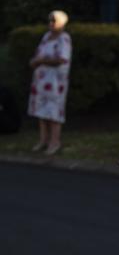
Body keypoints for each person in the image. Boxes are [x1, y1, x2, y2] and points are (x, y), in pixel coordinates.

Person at [27, 10, 72, 155]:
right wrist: (35, 61)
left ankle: (55, 141)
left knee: (53, 113)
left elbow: (62, 59)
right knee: (42, 112)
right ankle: (43, 140)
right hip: (41, 80)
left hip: (55, 82)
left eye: (54, 21)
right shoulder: (46, 37)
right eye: (50, 21)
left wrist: (42, 61)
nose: (51, 24)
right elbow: (38, 53)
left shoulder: (64, 39)